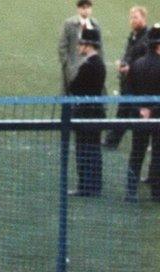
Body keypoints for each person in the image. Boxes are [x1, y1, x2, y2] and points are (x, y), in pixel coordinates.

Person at [104, 6, 150, 149]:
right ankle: (112, 142)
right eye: (131, 17)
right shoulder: (134, 36)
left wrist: (129, 67)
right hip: (128, 82)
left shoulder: (147, 38)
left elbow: (147, 61)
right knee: (124, 112)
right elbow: (130, 55)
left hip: (138, 85)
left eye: (135, 17)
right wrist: (122, 63)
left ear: (143, 18)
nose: (132, 20)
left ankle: (116, 142)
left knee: (132, 114)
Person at [68, 27, 106, 197]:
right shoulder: (100, 64)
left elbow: (74, 87)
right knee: (94, 151)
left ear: (88, 45)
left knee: (84, 151)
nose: (78, 47)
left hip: (85, 114)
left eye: (81, 43)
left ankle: (85, 186)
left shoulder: (88, 66)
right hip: (95, 113)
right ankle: (94, 186)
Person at [126, 24, 160, 202]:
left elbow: (129, 91)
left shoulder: (136, 64)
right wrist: (153, 109)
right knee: (158, 154)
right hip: (158, 117)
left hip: (139, 116)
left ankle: (131, 191)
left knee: (136, 152)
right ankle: (156, 192)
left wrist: (141, 108)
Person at [58, 0, 102, 94]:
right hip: (74, 69)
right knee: (71, 96)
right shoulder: (69, 24)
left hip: (91, 69)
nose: (86, 10)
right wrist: (68, 66)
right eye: (83, 7)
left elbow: (100, 47)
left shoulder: (95, 25)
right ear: (78, 9)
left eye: (88, 7)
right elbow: (62, 47)